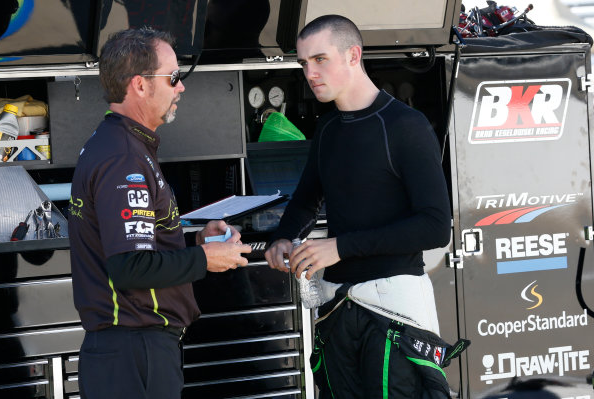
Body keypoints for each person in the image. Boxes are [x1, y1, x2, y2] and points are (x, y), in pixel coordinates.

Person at [264, 15, 456, 398]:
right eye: (303, 63)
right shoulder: (329, 130)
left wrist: (339, 247)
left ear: (353, 55)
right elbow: (305, 199)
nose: (310, 72)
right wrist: (282, 237)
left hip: (395, 308)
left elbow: (436, 227)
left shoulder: (406, 125)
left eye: (320, 59)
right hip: (337, 306)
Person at [68, 27, 251, 399]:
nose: (180, 87)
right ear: (139, 84)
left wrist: (193, 240)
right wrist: (205, 258)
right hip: (135, 353)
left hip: (130, 353)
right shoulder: (124, 157)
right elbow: (129, 267)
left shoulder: (121, 144)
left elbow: (137, 243)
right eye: (173, 77)